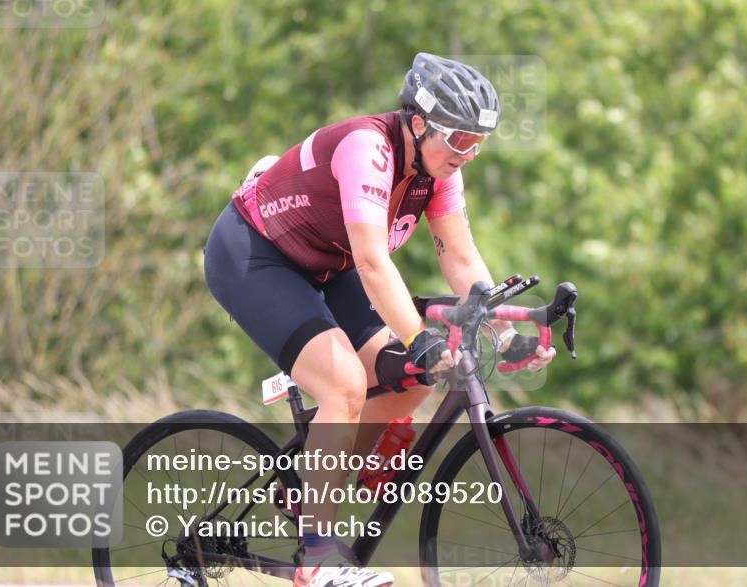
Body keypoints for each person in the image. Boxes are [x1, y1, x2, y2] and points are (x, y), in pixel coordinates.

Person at [204, 53, 556, 587]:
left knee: (415, 373)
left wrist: (506, 336)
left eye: (479, 142)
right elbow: (373, 262)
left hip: (327, 261)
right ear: (418, 122)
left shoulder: (437, 170)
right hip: (255, 255)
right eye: (460, 139)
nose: (470, 153)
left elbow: (460, 259)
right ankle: (316, 555)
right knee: (346, 382)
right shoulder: (369, 147)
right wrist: (418, 337)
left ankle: (314, 485)